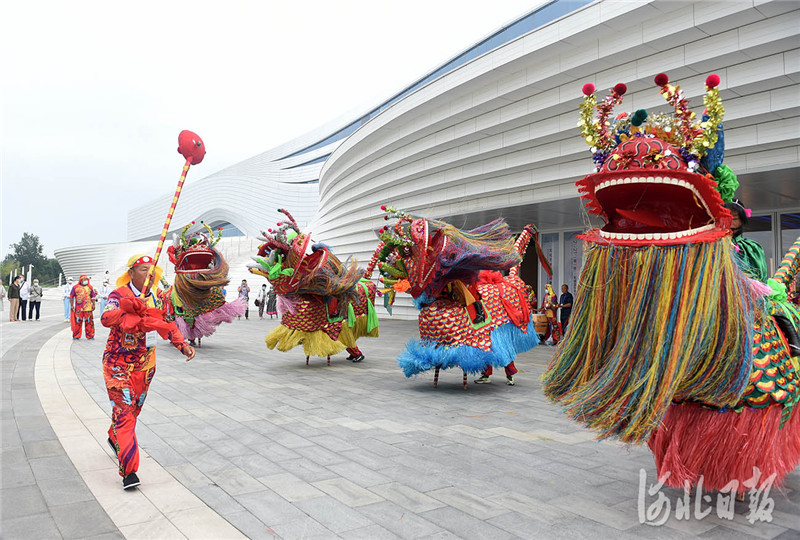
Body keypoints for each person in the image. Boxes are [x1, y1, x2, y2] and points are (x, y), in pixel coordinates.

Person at [101, 254, 195, 489]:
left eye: (152, 270)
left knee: (134, 411)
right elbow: (105, 318)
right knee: (124, 415)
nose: (149, 274)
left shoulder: (156, 297)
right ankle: (129, 472)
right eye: (143, 269)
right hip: (118, 366)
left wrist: (181, 344)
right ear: (131, 272)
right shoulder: (119, 295)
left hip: (146, 367)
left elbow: (168, 322)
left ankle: (114, 438)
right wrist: (127, 310)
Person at [71, 275, 97, 339]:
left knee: (89, 322)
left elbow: (93, 297)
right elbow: (71, 296)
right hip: (78, 308)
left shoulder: (90, 287)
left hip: (88, 308)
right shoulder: (75, 287)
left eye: (86, 279)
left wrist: (93, 304)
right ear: (80, 280)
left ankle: (90, 335)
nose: (85, 281)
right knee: (78, 322)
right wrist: (72, 305)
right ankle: (76, 335)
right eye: (84, 279)